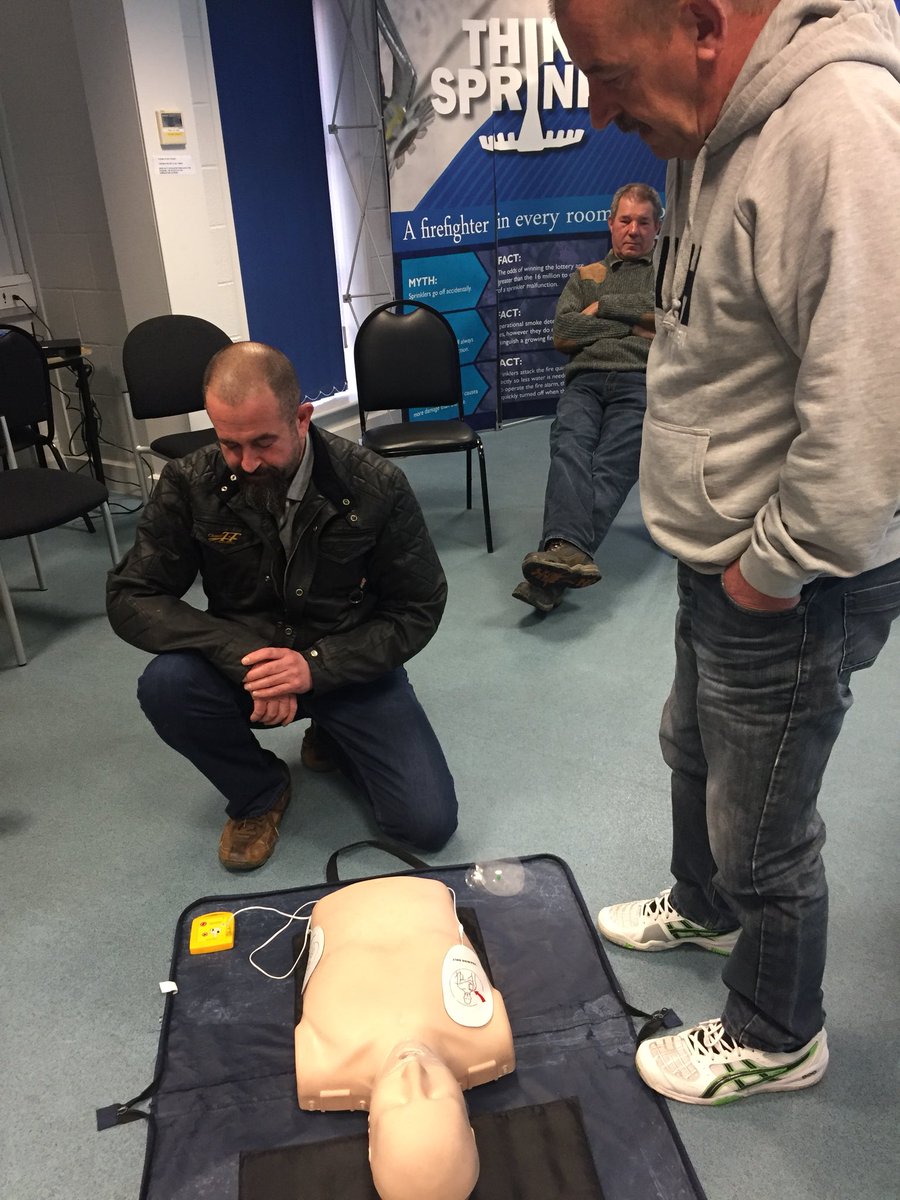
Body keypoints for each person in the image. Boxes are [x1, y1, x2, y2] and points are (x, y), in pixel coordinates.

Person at [553, 0, 900, 1103]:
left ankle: (776, 1029)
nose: (601, 111)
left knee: (764, 833)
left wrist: (774, 566)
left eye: (607, 75)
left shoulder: (842, 127)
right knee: (690, 747)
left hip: (785, 580)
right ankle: (700, 910)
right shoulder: (709, 128)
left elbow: (875, 411)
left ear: (703, 26)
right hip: (723, 551)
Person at [107, 341, 457, 870]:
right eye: (228, 444)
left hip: (347, 661)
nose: (246, 462)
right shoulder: (188, 480)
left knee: (425, 826)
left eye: (263, 442)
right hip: (248, 663)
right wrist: (240, 653)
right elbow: (132, 593)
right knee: (167, 685)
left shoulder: (375, 484)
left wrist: (313, 670)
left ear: (301, 418)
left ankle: (331, 733)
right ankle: (260, 790)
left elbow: (417, 606)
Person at [295, 875, 515, 1200]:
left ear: (371, 1142)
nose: (414, 1073)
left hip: (339, 906)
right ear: (469, 1126)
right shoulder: (488, 1035)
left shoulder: (320, 1058)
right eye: (438, 1096)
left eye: (399, 1104)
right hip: (428, 893)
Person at [513, 182, 661, 614]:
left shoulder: (665, 275)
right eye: (625, 220)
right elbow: (564, 334)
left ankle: (557, 560)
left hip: (639, 380)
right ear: (611, 224)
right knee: (570, 449)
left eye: (643, 221)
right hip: (585, 379)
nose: (633, 230)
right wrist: (632, 323)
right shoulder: (584, 277)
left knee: (613, 464)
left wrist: (603, 309)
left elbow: (665, 320)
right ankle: (567, 558)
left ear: (656, 228)